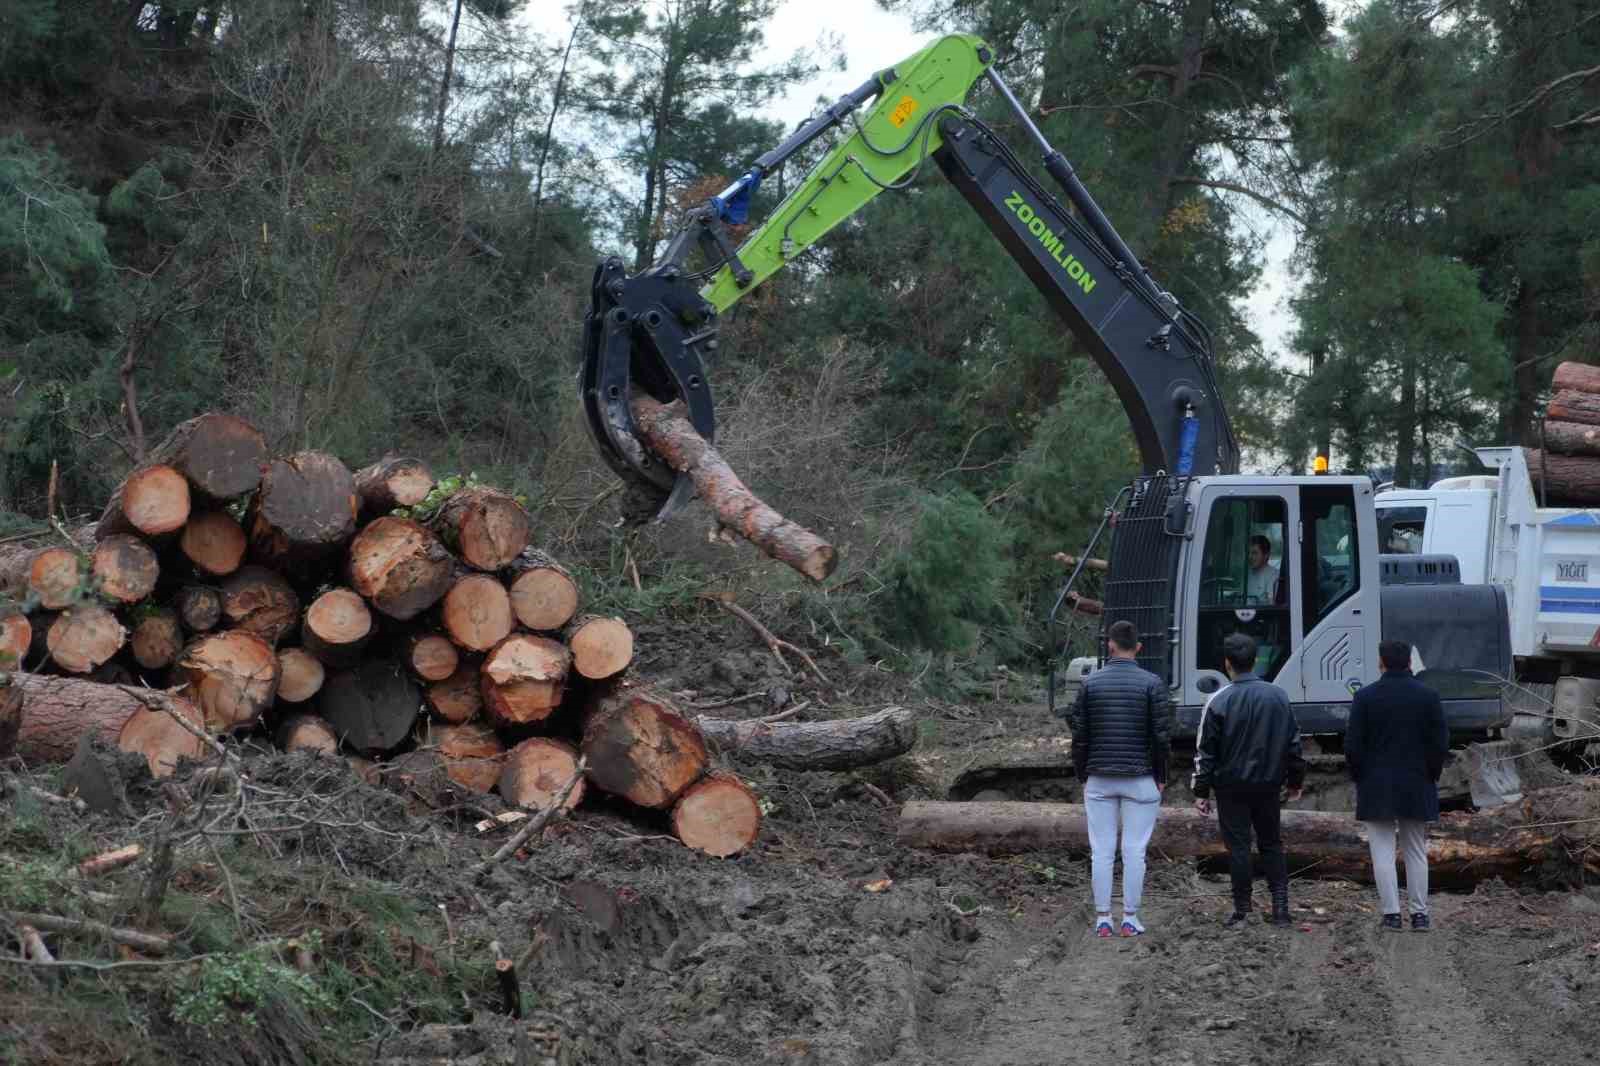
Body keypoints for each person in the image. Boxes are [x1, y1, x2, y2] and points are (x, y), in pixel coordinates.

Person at [1191, 632, 1306, 928]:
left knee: (1239, 847)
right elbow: (1294, 744)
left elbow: (1206, 752)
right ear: (1256, 660)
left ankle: (1242, 911)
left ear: (1227, 663)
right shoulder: (1278, 695)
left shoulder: (1218, 701)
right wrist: (1295, 781)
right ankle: (1280, 910)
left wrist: (1200, 791)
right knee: (1272, 844)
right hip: (1269, 784)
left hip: (1230, 788)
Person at [1066, 619, 1171, 938]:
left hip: (1099, 777)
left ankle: (1102, 919)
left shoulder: (1090, 684)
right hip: (1140, 778)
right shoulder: (1153, 684)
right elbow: (1161, 736)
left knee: (1101, 850)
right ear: (1138, 647)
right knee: (1135, 850)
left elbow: (1080, 735)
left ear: (1109, 645)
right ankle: (1129, 917)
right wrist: (1161, 775)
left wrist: (1082, 773)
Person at [1346, 639, 1449, 932]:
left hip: (1376, 784)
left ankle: (1391, 915)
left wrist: (1360, 777)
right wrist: (1431, 774)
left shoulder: (1365, 697)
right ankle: (1420, 915)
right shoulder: (1429, 696)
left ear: (1381, 662)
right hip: (1416, 782)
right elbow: (1440, 743)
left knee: (1382, 851)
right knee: (1416, 850)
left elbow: (1353, 746)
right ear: (1409, 663)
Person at [1246, 535, 1279, 603]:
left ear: (1266, 555)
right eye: (1248, 553)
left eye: (1254, 553)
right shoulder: (1247, 574)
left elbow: (1271, 605)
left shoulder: (1274, 576)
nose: (1250, 557)